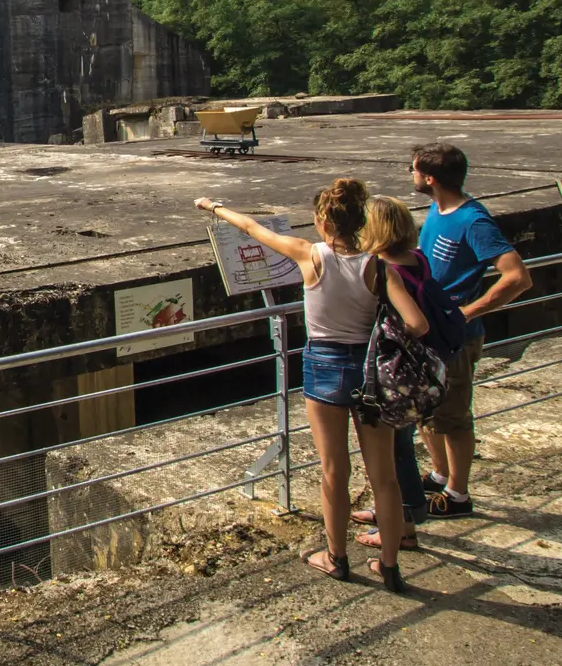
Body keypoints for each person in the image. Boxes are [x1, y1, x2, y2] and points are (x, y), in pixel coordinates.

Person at [195, 180, 429, 591]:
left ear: (322, 221)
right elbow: (417, 324)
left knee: (333, 471)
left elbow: (254, 229)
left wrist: (214, 207)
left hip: (324, 363)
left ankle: (335, 556)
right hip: (370, 369)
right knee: (385, 476)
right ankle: (389, 566)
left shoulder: (310, 255)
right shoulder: (378, 266)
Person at [406, 142, 531, 520]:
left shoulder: (473, 220)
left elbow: (517, 277)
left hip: (454, 337)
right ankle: (440, 474)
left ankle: (458, 494)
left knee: (455, 415)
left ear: (429, 178)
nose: (410, 176)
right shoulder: (438, 208)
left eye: (413, 170)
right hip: (428, 332)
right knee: (427, 414)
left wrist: (465, 313)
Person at [350, 195, 433, 551]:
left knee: (395, 453)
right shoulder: (416, 260)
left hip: (394, 372)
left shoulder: (387, 269)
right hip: (416, 371)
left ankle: (403, 528)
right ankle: (395, 515)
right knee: (401, 448)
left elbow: (415, 322)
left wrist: (394, 338)